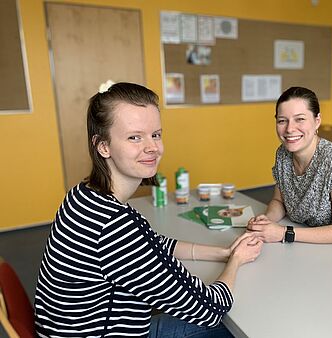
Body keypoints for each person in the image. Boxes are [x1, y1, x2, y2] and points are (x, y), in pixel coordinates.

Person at [34, 82, 263, 337]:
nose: (152, 147)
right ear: (103, 146)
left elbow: (152, 243)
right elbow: (209, 307)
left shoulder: (83, 196)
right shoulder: (114, 227)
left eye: (156, 134)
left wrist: (221, 252)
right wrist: (236, 261)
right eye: (135, 137)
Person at [247, 86, 332, 250]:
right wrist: (266, 221)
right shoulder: (283, 154)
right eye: (282, 120)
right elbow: (279, 201)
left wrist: (284, 233)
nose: (290, 129)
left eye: (300, 119)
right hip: (303, 244)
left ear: (317, 121)